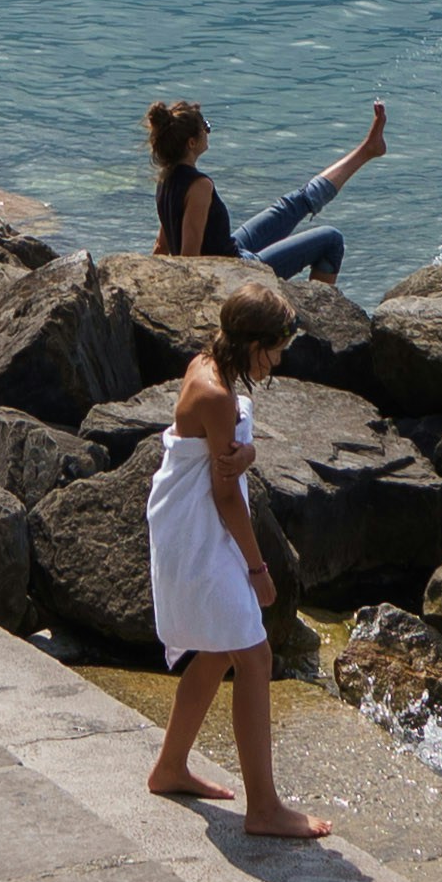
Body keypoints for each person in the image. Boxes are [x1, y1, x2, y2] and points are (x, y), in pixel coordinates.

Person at [138, 281, 329, 842]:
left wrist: (248, 453)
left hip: (190, 517)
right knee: (255, 655)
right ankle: (264, 808)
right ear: (252, 344)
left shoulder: (207, 360)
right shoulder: (218, 394)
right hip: (200, 531)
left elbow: (226, 456)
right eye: (275, 351)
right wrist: (258, 569)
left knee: (221, 648)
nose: (276, 363)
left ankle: (170, 768)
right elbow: (225, 494)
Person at [148, 96, 386, 290]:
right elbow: (190, 259)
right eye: (206, 127)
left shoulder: (165, 180)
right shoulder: (199, 185)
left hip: (229, 251)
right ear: (191, 143)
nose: (208, 132)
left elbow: (162, 246)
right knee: (332, 239)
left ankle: (367, 150)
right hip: (235, 272)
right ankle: (317, 312)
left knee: (293, 203)